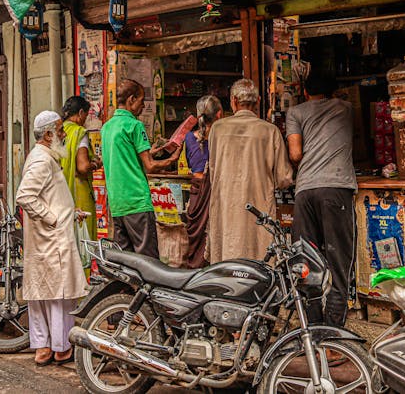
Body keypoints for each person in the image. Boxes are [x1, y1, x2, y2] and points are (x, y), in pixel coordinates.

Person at [16, 110, 88, 366]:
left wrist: (69, 212)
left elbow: (46, 196)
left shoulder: (45, 157)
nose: (63, 134)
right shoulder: (42, 161)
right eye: (59, 130)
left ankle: (45, 347)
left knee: (44, 295)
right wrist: (54, 218)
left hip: (47, 239)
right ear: (48, 135)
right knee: (58, 295)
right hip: (50, 239)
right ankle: (59, 347)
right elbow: (25, 197)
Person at [286, 71, 357, 327]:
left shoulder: (295, 113)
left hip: (305, 190)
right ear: (333, 91)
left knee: (306, 261)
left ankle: (313, 326)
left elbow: (295, 154)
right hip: (336, 188)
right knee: (340, 262)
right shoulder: (346, 108)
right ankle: (334, 330)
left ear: (305, 92)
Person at [208, 79, 293, 263]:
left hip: (226, 205)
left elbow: (213, 171)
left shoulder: (217, 129)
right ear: (258, 102)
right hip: (257, 208)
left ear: (233, 101)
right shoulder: (270, 131)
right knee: (259, 260)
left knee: (227, 259)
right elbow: (284, 179)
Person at [101, 79, 182, 258]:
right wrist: (172, 159)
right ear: (131, 100)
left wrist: (151, 151)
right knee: (148, 260)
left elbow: (124, 157)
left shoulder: (106, 127)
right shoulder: (134, 125)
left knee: (126, 260)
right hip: (137, 201)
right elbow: (150, 166)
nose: (143, 106)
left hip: (117, 204)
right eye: (141, 101)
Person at [183, 95, 222, 268]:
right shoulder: (221, 138)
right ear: (219, 114)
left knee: (196, 240)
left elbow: (191, 164)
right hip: (213, 191)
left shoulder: (189, 138)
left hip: (196, 193)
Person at [61, 96, 101, 255]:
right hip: (79, 192)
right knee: (83, 241)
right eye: (86, 115)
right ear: (80, 112)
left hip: (61, 192)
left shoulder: (60, 130)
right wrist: (96, 163)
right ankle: (83, 278)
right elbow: (83, 167)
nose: (86, 120)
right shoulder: (79, 133)